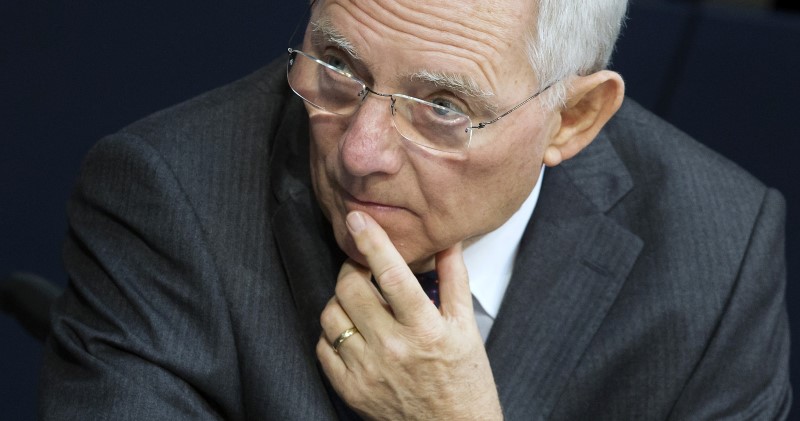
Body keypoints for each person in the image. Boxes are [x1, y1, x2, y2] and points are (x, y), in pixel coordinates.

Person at [38, 0, 791, 419]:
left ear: (574, 120)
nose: (361, 151)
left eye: (441, 106)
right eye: (336, 65)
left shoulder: (717, 255)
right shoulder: (168, 198)